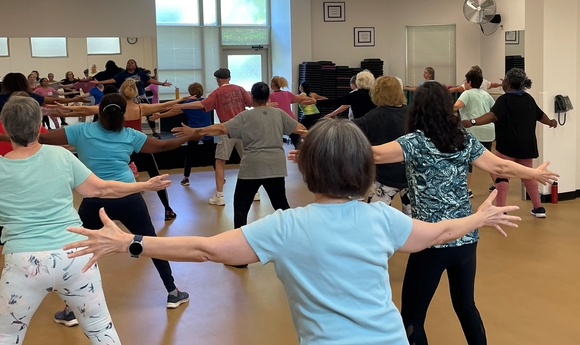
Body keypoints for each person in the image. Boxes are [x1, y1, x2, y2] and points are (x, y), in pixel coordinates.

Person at [64, 118, 522, 345]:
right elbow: (439, 233)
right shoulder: (382, 217)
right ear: (364, 169)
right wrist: (478, 218)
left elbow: (206, 250)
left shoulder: (285, 227)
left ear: (308, 167)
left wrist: (132, 242)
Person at [372, 81, 558, 345]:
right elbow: (500, 166)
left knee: (413, 318)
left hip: (432, 241)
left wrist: (319, 150)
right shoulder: (462, 138)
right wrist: (533, 172)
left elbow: (375, 155)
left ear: (417, 110)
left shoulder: (414, 142)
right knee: (466, 307)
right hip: (466, 239)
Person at [0, 95, 170, 344]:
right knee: (101, 329)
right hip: (74, 256)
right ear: (39, 126)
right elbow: (102, 189)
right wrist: (143, 185)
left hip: (24, 263)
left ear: (5, 127)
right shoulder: (62, 157)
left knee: (6, 335)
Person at [35, 93, 196, 326]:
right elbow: (162, 146)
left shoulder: (80, 132)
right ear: (124, 114)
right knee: (150, 243)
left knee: (80, 250)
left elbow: (44, 138)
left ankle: (70, 310)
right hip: (128, 196)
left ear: (100, 111)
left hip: (95, 199)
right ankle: (173, 293)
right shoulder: (130, 135)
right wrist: (192, 135)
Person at [173, 82, 306, 267]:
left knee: (241, 209)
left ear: (252, 98)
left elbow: (219, 129)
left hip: (252, 168)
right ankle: (300, 242)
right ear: (269, 98)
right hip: (275, 166)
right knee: (281, 205)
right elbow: (299, 128)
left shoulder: (245, 116)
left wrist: (194, 132)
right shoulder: (280, 114)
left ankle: (240, 258)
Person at [54, 79, 185, 221]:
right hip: (139, 146)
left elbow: (84, 110)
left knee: (110, 174)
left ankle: (108, 204)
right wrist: (183, 99)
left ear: (121, 91)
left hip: (120, 146)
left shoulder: (110, 108)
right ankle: (167, 208)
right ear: (135, 92)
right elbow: (164, 105)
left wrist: (66, 110)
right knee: (154, 175)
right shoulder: (141, 108)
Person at [461, 68, 558, 217]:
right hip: (527, 146)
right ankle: (538, 208)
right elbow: (541, 115)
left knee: (501, 175)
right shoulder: (528, 98)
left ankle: (501, 210)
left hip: (507, 145)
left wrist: (472, 121)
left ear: (508, 82)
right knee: (528, 176)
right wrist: (551, 122)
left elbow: (492, 116)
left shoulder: (504, 100)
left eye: (504, 81)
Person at [168, 68, 253, 206]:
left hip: (226, 130)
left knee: (220, 163)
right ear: (229, 78)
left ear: (218, 80)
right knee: (247, 160)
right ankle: (255, 193)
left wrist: (183, 105)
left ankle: (219, 196)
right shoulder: (240, 89)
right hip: (243, 131)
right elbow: (251, 103)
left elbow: (202, 104)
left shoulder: (217, 92)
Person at [353, 76, 411, 216]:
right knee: (413, 221)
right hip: (411, 175)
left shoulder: (372, 116)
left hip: (384, 177)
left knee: (375, 219)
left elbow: (349, 130)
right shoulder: (413, 113)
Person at [154, 82, 215, 187]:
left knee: (190, 155)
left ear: (190, 92)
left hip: (192, 132)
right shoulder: (207, 102)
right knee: (212, 155)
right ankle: (220, 177)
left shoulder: (188, 104)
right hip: (207, 131)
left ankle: (186, 178)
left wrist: (160, 115)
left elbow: (173, 112)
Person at [94, 59, 171, 139]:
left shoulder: (140, 73)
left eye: (132, 63)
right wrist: (99, 82)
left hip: (140, 96)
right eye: (128, 63)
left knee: (149, 114)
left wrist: (162, 84)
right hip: (127, 97)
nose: (129, 64)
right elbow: (112, 80)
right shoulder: (122, 74)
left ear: (135, 65)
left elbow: (150, 80)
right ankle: (121, 131)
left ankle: (154, 132)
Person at [453, 69, 496, 198]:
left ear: (469, 82)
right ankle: (497, 184)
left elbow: (457, 106)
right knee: (488, 160)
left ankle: (468, 189)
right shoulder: (486, 95)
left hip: (472, 131)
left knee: (467, 161)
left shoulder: (467, 94)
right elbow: (494, 110)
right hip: (488, 131)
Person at [268, 76, 316, 148]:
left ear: (272, 84)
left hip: (278, 120)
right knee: (297, 141)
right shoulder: (287, 94)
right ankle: (303, 153)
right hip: (290, 119)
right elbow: (300, 98)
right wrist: (312, 99)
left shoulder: (270, 96)